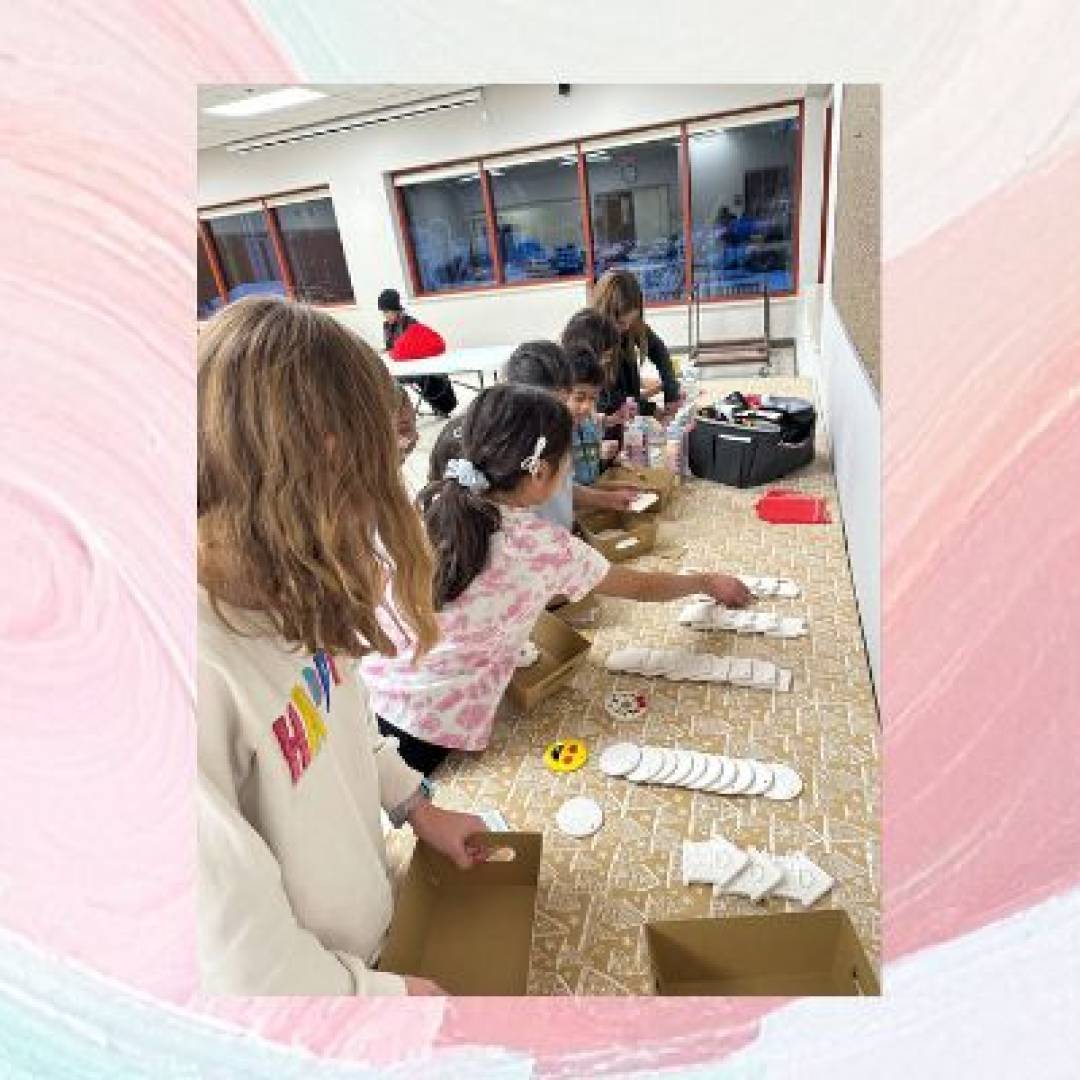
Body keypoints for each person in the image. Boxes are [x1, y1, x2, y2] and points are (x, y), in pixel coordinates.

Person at [197, 297, 488, 997]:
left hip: (367, 936)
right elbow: (240, 960)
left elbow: (344, 716)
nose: (376, 506)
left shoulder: (294, 578)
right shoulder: (187, 673)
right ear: (320, 464)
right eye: (372, 474)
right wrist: (376, 1004)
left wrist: (416, 804)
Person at [361, 383, 752, 774]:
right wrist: (705, 581)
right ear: (541, 472)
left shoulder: (428, 501)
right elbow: (639, 586)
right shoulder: (542, 547)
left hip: (370, 695)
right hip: (428, 726)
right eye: (566, 463)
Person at [502, 340, 637, 530]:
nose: (586, 408)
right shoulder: (520, 451)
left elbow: (562, 490)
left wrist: (607, 499)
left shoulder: (557, 433)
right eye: (576, 398)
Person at [589, 270, 680, 418]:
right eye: (621, 323)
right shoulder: (591, 339)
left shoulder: (631, 323)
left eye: (631, 321)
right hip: (607, 419)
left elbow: (658, 350)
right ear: (605, 313)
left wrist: (671, 391)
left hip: (628, 412)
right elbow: (609, 399)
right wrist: (651, 410)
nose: (626, 328)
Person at [378, 288, 457, 417]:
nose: (385, 316)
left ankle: (407, 414)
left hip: (416, 368)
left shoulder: (411, 324)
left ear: (396, 309)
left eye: (387, 312)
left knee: (392, 381)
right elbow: (390, 347)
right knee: (382, 379)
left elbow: (417, 349)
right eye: (383, 312)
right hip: (399, 367)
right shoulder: (387, 326)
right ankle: (396, 414)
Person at [565, 343, 605, 486]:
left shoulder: (591, 426)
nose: (587, 406)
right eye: (579, 398)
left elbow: (593, 468)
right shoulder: (555, 437)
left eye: (593, 398)